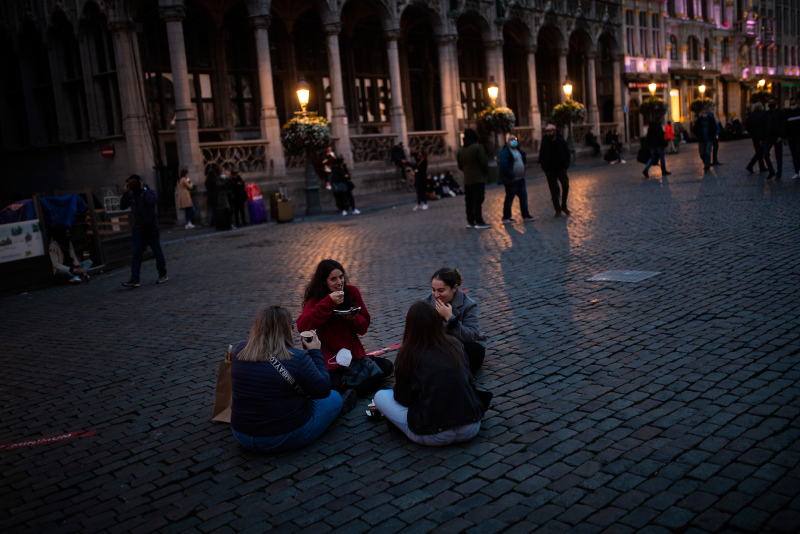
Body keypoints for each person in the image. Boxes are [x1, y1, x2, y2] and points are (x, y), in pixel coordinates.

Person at [230, 306, 355, 453]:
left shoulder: (240, 350)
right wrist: (315, 351)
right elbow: (324, 389)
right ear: (291, 328)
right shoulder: (297, 358)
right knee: (335, 397)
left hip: (241, 434)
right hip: (282, 436)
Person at [373, 301, 487, 446]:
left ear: (410, 326)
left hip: (434, 434)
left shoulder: (409, 354)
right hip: (470, 427)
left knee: (380, 396)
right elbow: (469, 381)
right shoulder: (455, 344)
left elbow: (403, 398)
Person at [296, 259, 393, 396]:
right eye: (333, 279)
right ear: (324, 281)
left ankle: (350, 389)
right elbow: (302, 326)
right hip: (330, 360)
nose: (339, 283)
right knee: (331, 382)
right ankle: (351, 389)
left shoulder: (352, 292)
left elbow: (364, 327)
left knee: (386, 366)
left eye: (341, 277)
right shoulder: (316, 300)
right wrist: (328, 302)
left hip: (353, 356)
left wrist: (353, 319)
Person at [421, 267, 487, 372]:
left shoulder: (468, 305)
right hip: (439, 346)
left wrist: (450, 318)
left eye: (441, 290)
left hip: (463, 345)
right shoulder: (426, 303)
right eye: (433, 290)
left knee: (472, 352)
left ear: (454, 288)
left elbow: (471, 335)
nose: (436, 295)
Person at [119, 174, 167, 287]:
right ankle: (135, 278)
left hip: (150, 227)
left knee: (156, 251)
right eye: (130, 184)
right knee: (136, 253)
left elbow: (151, 201)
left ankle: (163, 274)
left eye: (134, 183)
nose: (132, 186)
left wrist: (143, 191)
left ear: (140, 183)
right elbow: (122, 206)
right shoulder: (130, 195)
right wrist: (125, 192)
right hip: (138, 228)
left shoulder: (149, 192)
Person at [457, 128, 490, 229]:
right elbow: (484, 162)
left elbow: (460, 166)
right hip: (478, 179)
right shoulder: (477, 147)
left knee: (469, 201)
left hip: (467, 180)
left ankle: (470, 221)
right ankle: (479, 221)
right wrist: (484, 173)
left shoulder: (460, 150)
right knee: (478, 200)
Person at [498, 134, 535, 223]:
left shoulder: (517, 150)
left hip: (520, 179)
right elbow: (504, 165)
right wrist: (512, 176)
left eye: (515, 139)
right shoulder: (506, 151)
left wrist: (523, 171)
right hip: (512, 180)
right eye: (511, 139)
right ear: (507, 142)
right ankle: (506, 217)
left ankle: (525, 215)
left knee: (523, 197)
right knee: (510, 198)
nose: (514, 141)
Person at [539, 121, 572, 217]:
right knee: (553, 191)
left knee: (566, 186)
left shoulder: (561, 141)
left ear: (554, 131)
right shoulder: (545, 142)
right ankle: (557, 210)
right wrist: (544, 167)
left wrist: (566, 164)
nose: (548, 134)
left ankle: (564, 206)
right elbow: (541, 154)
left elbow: (567, 153)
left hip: (561, 168)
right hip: (550, 170)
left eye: (550, 132)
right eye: (547, 132)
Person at [763, 97, 785, 180]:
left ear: (775, 103)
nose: (770, 104)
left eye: (772, 102)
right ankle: (771, 171)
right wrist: (762, 138)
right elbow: (763, 125)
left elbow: (783, 125)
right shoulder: (767, 114)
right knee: (765, 154)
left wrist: (781, 136)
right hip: (767, 137)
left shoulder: (780, 113)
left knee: (778, 156)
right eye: (769, 102)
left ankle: (779, 173)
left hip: (777, 137)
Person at [746, 102, 767, 173]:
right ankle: (750, 165)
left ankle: (762, 166)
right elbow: (764, 127)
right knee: (760, 152)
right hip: (761, 136)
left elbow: (747, 127)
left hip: (754, 137)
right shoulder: (762, 115)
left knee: (759, 151)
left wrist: (752, 133)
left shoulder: (751, 116)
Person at [784, 96, 800, 179]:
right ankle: (797, 171)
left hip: (799, 136)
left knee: (798, 151)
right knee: (794, 154)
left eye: (793, 104)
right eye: (791, 104)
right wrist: (784, 137)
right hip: (791, 137)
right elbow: (785, 125)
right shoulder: (787, 112)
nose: (792, 105)